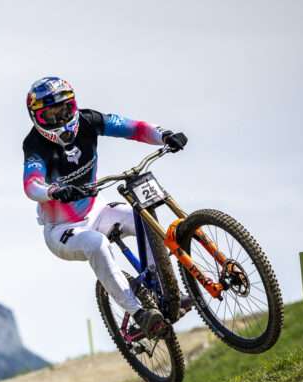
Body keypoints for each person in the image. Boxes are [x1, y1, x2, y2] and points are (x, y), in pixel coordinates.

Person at [21, 76, 187, 339]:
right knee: (97, 244)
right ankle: (140, 314)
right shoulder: (35, 145)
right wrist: (53, 191)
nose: (61, 119)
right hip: (62, 230)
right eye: (51, 115)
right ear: (36, 118)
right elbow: (31, 185)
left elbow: (133, 128)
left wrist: (164, 135)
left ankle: (165, 289)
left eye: (64, 110)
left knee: (142, 217)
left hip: (95, 210)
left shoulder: (89, 121)